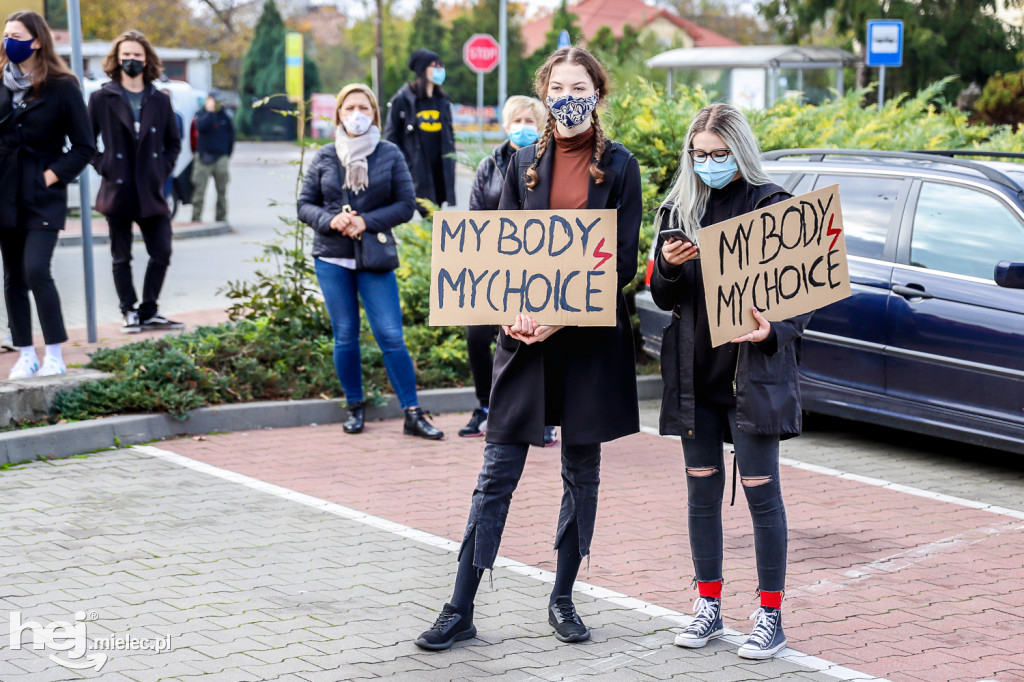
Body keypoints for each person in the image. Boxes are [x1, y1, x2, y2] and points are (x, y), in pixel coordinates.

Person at [415, 46, 642, 651]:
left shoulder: (621, 166)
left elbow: (620, 258)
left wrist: (559, 317)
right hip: (524, 341)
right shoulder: (521, 163)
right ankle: (460, 605)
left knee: (580, 470)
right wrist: (513, 315)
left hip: (587, 342)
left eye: (580, 86)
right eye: (558, 86)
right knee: (497, 472)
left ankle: (563, 599)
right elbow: (503, 251)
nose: (569, 96)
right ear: (545, 96)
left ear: (597, 93)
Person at [650, 103, 812, 660]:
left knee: (762, 496)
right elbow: (663, 296)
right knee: (701, 494)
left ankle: (771, 614)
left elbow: (806, 297)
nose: (709, 165)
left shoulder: (775, 207)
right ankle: (708, 607)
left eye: (720, 155)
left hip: (754, 378)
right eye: (699, 155)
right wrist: (669, 266)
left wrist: (773, 329)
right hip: (695, 377)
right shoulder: (679, 208)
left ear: (741, 151)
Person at [297, 83, 443, 441]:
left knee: (391, 335)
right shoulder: (325, 156)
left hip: (375, 257)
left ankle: (412, 412)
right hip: (332, 256)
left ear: (375, 113)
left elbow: (407, 204)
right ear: (339, 114)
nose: (356, 115)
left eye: (363, 108)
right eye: (349, 108)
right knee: (345, 335)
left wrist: (366, 221)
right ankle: (354, 405)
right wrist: (331, 220)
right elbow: (304, 204)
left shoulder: (389, 154)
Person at [0, 11, 95, 378]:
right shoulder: (2, 82)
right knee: (13, 278)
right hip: (4, 192)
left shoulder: (63, 85)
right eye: (6, 34)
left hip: (42, 194)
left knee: (36, 269)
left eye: (17, 35)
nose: (9, 41)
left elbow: (85, 146)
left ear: (37, 40)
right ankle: (26, 353)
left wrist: (51, 176)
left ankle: (54, 352)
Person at [460, 94, 556, 447]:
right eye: (517, 121)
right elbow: (475, 218)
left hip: (537, 270)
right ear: (505, 125)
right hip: (494, 269)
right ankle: (486, 406)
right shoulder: (489, 165)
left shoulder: (549, 163)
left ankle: (544, 416)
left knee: (533, 336)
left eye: (530, 121)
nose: (523, 128)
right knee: (476, 336)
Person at [88, 30, 183, 333]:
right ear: (116, 59)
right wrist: (104, 165)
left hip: (151, 189)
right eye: (125, 56)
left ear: (147, 60)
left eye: (137, 56)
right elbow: (87, 142)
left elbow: (173, 142)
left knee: (162, 251)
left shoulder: (159, 99)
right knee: (121, 255)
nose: (131, 61)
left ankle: (149, 310)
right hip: (117, 188)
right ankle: (128, 311)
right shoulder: (101, 97)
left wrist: (162, 169)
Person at [384, 48, 455, 215]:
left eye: (441, 65)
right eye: (434, 66)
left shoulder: (443, 102)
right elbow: (391, 137)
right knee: (413, 214)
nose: (440, 69)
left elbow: (449, 136)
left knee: (435, 217)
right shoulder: (402, 100)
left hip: (439, 169)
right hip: (415, 171)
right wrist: (406, 165)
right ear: (422, 70)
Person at [191, 89, 233, 223]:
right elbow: (201, 127)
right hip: (204, 157)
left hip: (221, 157)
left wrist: (227, 154)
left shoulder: (225, 116)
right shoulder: (201, 114)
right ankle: (196, 218)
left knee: (222, 190)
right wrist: (209, 111)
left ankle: (221, 218)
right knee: (199, 190)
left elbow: (231, 136)